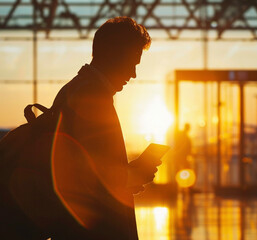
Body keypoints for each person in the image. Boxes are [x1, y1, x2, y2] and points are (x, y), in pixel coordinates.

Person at [39, 17, 156, 239]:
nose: (133, 74)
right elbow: (94, 182)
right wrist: (133, 173)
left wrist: (129, 175)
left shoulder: (76, 90)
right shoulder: (92, 98)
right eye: (132, 63)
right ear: (114, 55)